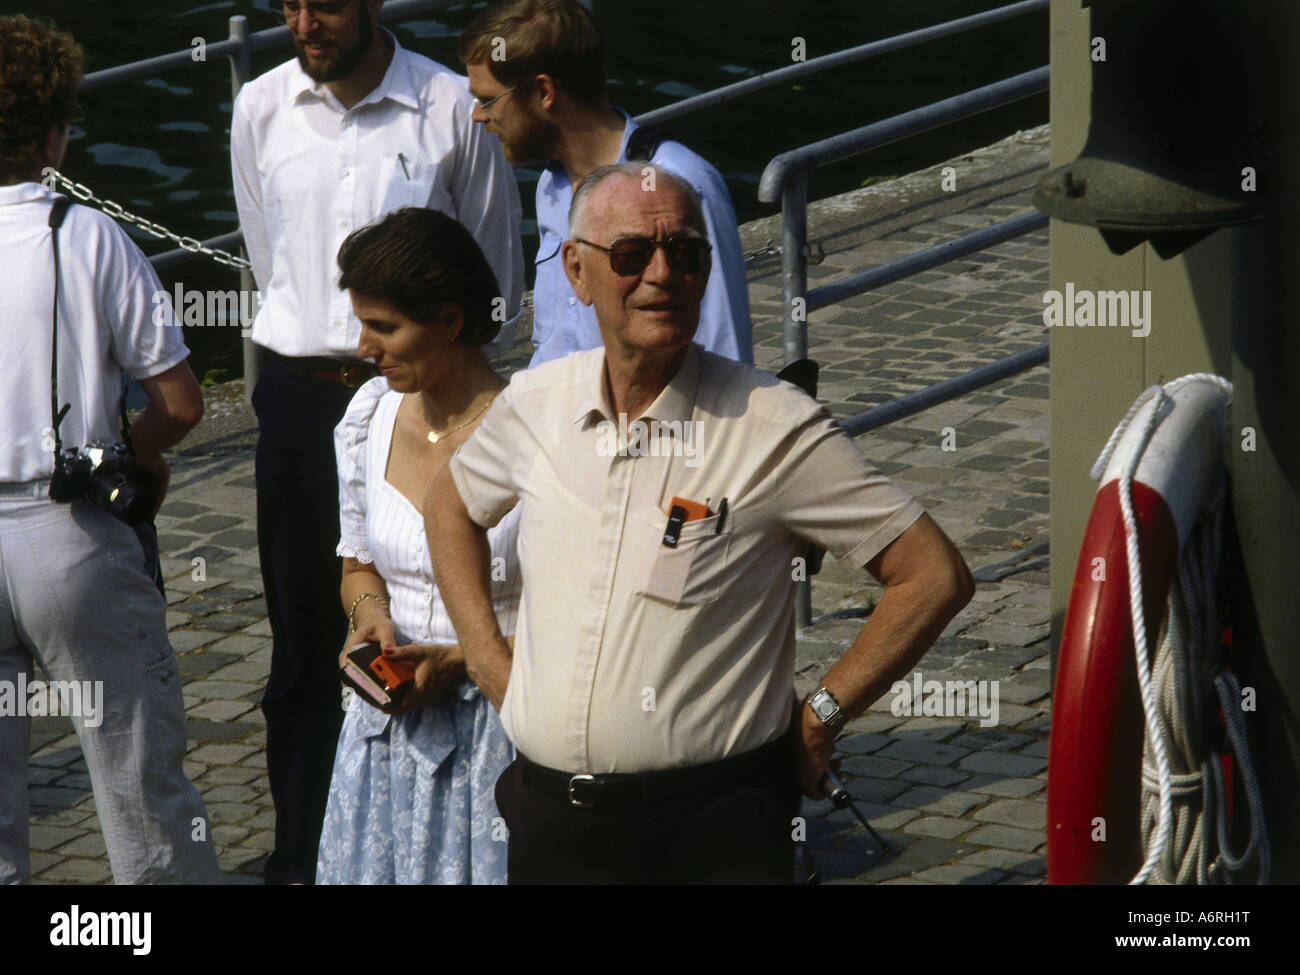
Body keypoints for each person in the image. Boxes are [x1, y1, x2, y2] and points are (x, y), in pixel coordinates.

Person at [425, 163, 974, 883]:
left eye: (685, 253)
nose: (661, 274)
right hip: (550, 822)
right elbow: (450, 505)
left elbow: (932, 574)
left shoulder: (770, 423)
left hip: (712, 833)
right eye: (631, 255)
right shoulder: (535, 403)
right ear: (576, 271)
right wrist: (489, 659)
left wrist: (821, 715)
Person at [231, 0, 525, 884]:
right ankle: (308, 850)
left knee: (469, 580)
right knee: (305, 638)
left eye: (325, 4)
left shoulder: (447, 109)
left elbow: (495, 275)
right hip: (302, 393)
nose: (305, 23)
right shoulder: (260, 107)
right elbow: (267, 250)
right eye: (288, 6)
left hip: (432, 379)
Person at [0, 15, 219, 884]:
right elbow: (180, 402)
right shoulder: (87, 236)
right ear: (56, 129)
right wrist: (132, 452)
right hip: (70, 533)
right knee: (138, 787)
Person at [315, 208, 520, 885]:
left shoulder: (531, 434)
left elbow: (582, 604)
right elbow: (358, 562)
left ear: (451, 320)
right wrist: (368, 617)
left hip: (501, 726)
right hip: (388, 730)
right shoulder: (367, 417)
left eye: (384, 327)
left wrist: (464, 659)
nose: (365, 346)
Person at [458, 0, 753, 367]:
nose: (476, 115)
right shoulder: (552, 184)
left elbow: (725, 355)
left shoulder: (680, 184)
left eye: (488, 99)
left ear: (544, 92)